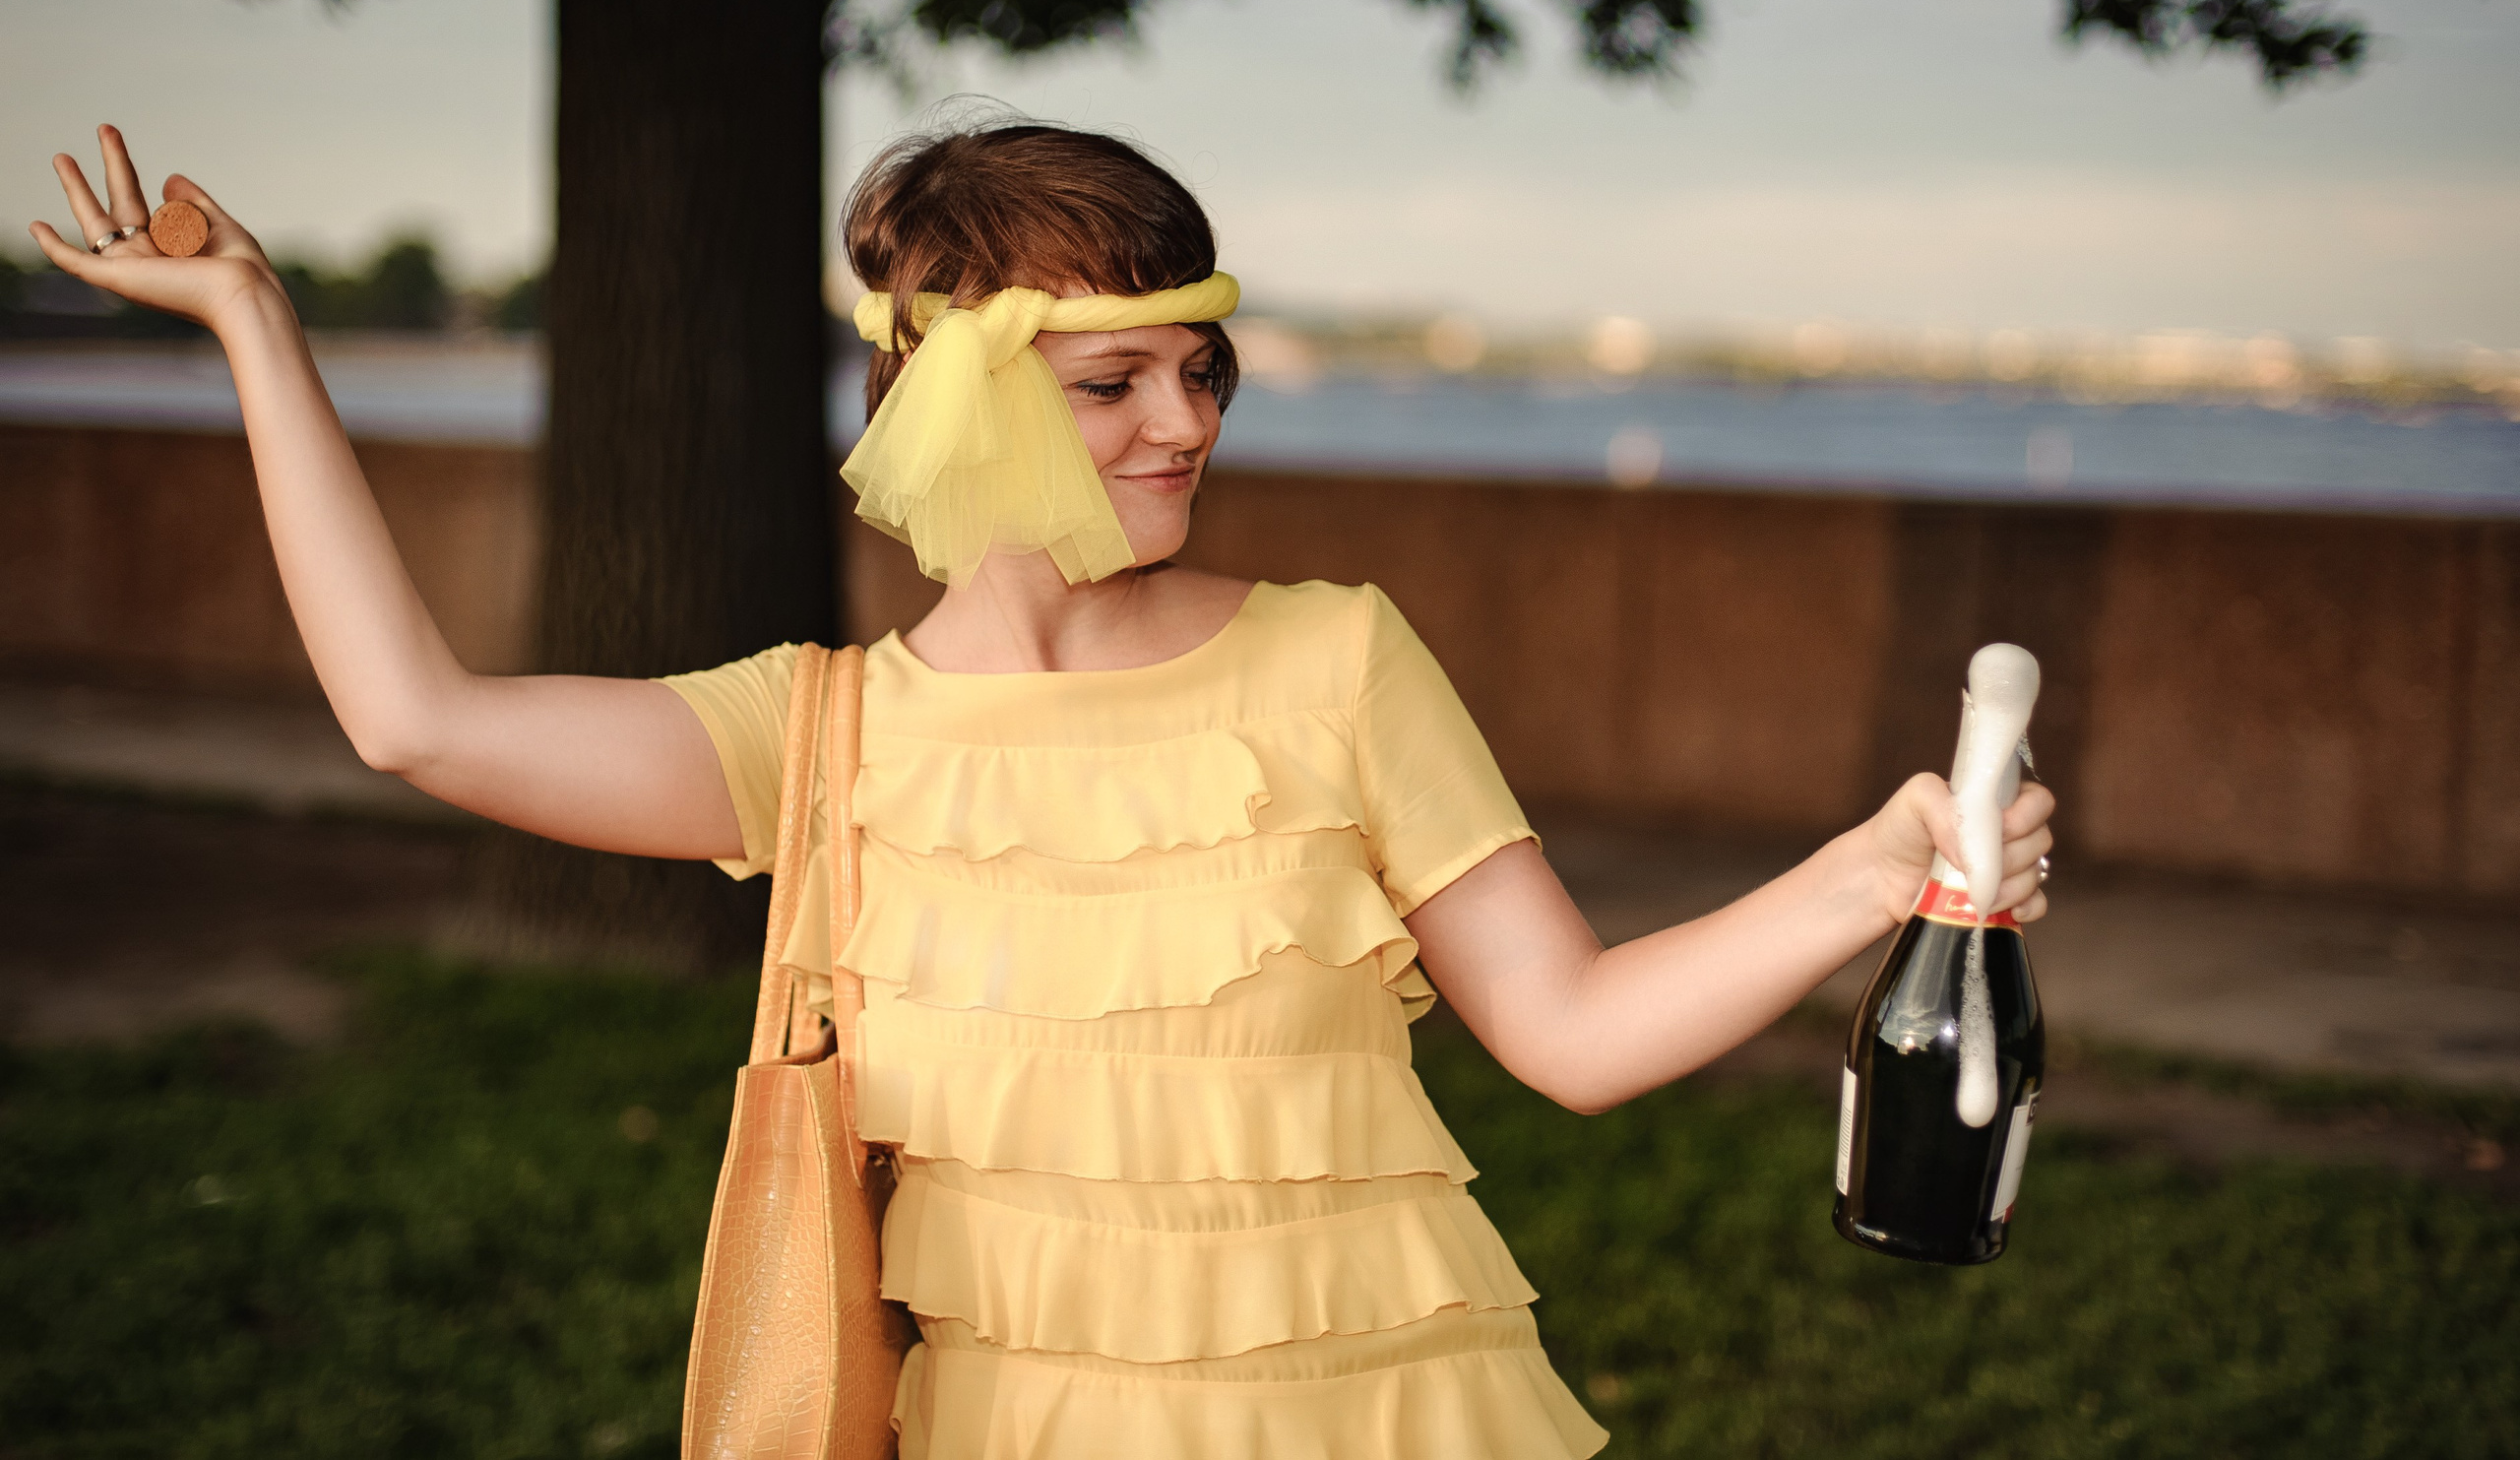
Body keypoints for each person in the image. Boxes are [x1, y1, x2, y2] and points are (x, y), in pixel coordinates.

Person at [31, 120, 2054, 1458]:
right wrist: (256, 327)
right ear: (960, 393)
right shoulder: (819, 736)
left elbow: (1577, 1033)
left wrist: (1872, 870)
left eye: (1198, 365)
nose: (1184, 420)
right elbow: (412, 718)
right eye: (1111, 381)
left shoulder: (1334, 654)